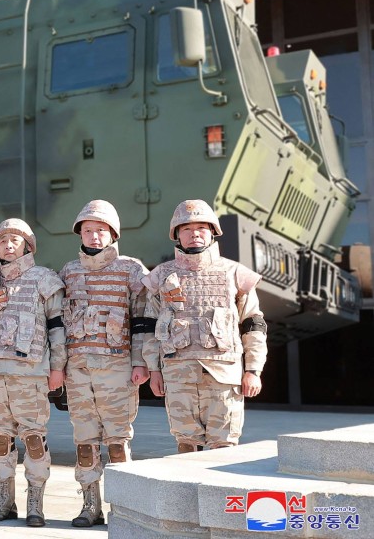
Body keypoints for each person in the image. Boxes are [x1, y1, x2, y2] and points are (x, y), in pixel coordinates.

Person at [143, 200, 268, 452]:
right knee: (186, 447)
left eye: (202, 227)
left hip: (223, 377)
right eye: (186, 229)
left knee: (224, 448)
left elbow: (253, 325)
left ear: (213, 232)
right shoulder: (161, 276)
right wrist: (153, 370)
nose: (194, 234)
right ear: (177, 235)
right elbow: (149, 327)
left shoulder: (235, 273)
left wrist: (253, 370)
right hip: (178, 376)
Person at [58, 201, 149, 527]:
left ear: (112, 234)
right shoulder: (69, 271)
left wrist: (141, 362)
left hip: (117, 367)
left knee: (117, 442)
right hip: (79, 368)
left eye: (101, 231)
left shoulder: (131, 269)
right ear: (80, 234)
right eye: (88, 230)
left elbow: (142, 319)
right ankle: (90, 506)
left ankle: (122, 509)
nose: (94, 236)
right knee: (84, 440)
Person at [0, 218, 65, 527]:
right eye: (3, 240)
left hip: (30, 375)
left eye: (14, 239)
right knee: (1, 439)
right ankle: (4, 500)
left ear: (28, 246)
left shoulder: (44, 279)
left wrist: (57, 368)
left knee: (33, 439)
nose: (8, 244)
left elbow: (58, 329)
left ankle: (35, 502)